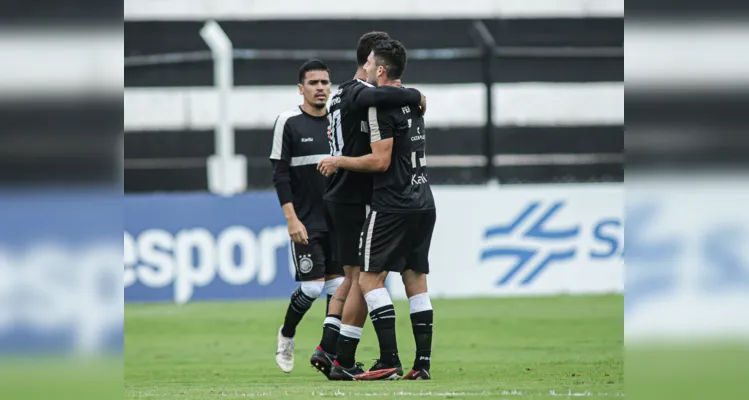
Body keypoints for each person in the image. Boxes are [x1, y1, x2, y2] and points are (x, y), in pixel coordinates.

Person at [309, 31, 426, 380]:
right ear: (371, 61)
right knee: (363, 278)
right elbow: (388, 95)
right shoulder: (361, 93)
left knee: (350, 277)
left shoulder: (339, 93)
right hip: (355, 195)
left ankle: (328, 347)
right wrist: (416, 94)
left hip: (338, 194)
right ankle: (344, 357)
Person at [271, 59, 345, 373]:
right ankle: (287, 334)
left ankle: (328, 352)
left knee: (338, 288)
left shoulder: (340, 121)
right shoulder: (288, 121)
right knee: (313, 288)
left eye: (325, 83)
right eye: (313, 83)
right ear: (301, 88)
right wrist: (291, 218)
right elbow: (280, 174)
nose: (320, 88)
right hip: (306, 222)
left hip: (340, 221)